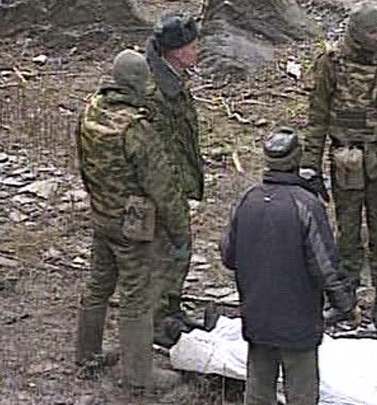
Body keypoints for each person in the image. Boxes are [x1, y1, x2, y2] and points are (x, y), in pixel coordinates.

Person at [301, 1, 377, 332]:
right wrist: (310, 167)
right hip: (347, 160)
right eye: (371, 32)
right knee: (347, 232)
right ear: (355, 32)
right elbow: (318, 118)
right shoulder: (330, 64)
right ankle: (346, 297)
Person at [76, 49, 188, 390]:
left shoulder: (91, 110)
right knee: (137, 295)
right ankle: (139, 374)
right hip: (134, 224)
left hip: (102, 214)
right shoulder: (136, 128)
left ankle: (87, 353)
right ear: (139, 82)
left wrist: (100, 202)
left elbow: (84, 165)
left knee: (99, 285)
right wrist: (180, 230)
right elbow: (162, 187)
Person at [221, 127, 354, 405]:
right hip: (298, 320)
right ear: (297, 159)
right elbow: (326, 266)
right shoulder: (307, 204)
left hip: (256, 315)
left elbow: (228, 256)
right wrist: (344, 304)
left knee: (257, 393)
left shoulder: (247, 200)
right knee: (302, 394)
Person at [144, 10, 205, 347]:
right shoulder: (156, 92)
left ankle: (171, 309)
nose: (199, 50)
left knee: (178, 250)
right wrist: (168, 196)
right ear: (177, 51)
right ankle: (157, 322)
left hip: (176, 183)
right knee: (163, 253)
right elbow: (157, 152)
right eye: (194, 46)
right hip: (161, 188)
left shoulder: (172, 78)